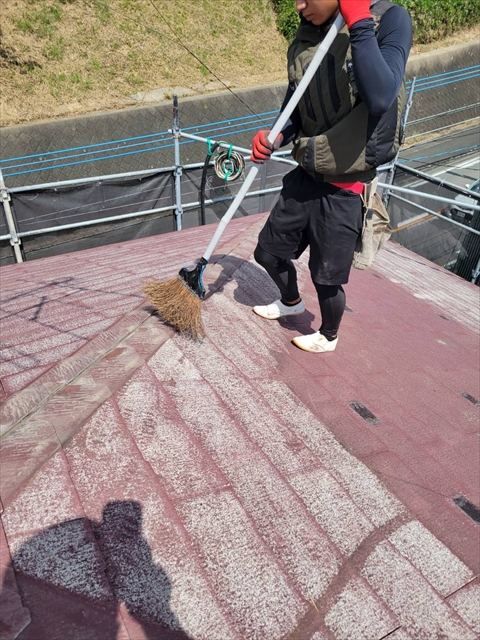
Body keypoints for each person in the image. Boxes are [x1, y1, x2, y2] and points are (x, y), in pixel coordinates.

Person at [250, 0, 412, 353]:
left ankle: (328, 335)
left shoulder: (390, 19)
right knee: (267, 253)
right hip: (307, 174)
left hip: (345, 189)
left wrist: (358, 23)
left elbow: (381, 96)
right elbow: (296, 103)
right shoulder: (309, 34)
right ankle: (291, 302)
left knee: (326, 278)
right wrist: (275, 135)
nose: (299, 6)